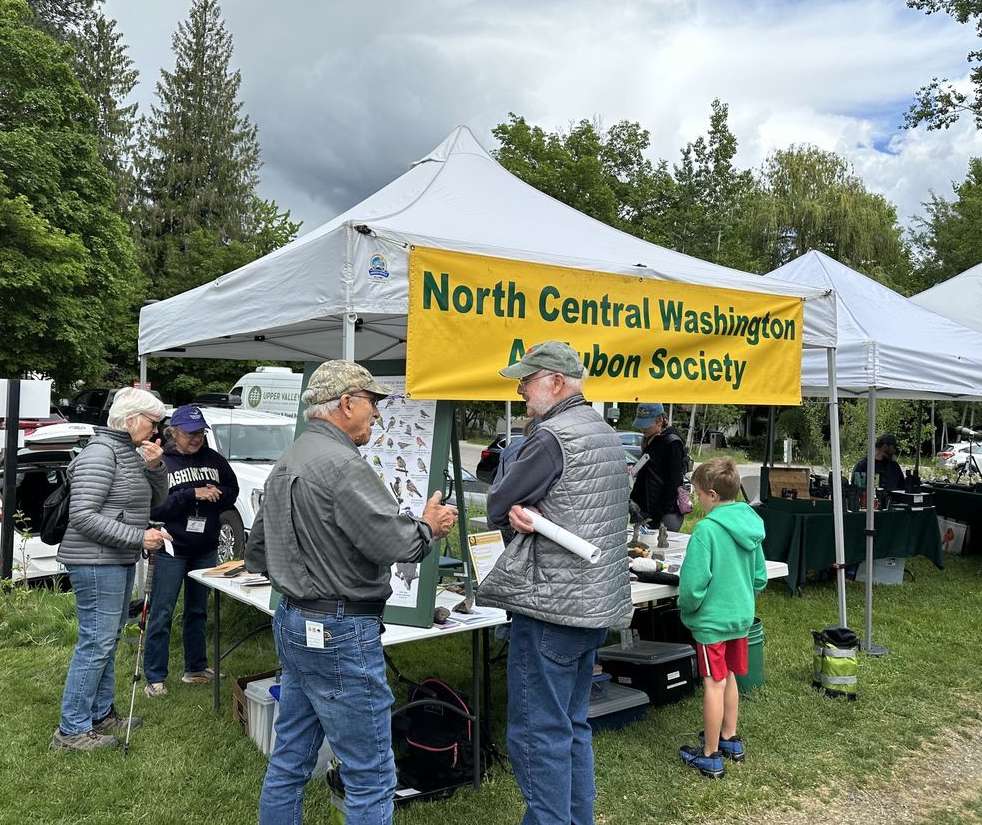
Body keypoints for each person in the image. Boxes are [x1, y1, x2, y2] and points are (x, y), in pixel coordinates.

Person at [248, 360, 458, 824]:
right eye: (373, 403)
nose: (378, 415)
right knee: (372, 774)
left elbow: (258, 550)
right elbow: (397, 543)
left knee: (290, 759)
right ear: (346, 403)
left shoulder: (290, 458)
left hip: (293, 620)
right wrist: (430, 525)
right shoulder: (342, 464)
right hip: (339, 629)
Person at [480, 341, 632, 824]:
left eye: (527, 381)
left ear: (556, 382)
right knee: (571, 726)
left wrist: (522, 513)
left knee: (536, 733)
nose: (522, 391)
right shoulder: (606, 433)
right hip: (594, 603)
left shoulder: (552, 437)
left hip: (553, 605)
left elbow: (495, 504)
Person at [51, 387, 171, 751]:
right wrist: (139, 536)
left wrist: (155, 468)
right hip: (94, 560)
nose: (155, 432)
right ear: (131, 419)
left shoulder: (129, 454)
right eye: (152, 423)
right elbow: (83, 517)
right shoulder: (101, 454)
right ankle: (71, 730)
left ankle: (100, 714)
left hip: (114, 558)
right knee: (96, 642)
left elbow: (157, 501)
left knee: (108, 639)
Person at [676, 457, 767, 778]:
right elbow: (759, 578)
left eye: (698, 494)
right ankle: (729, 737)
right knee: (728, 676)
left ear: (712, 495)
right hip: (740, 618)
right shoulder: (750, 524)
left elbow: (693, 585)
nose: (697, 500)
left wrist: (687, 608)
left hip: (712, 621)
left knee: (713, 682)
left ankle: (710, 753)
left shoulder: (707, 531)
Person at [142, 404, 240, 698]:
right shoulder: (163, 462)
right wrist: (191, 494)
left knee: (198, 611)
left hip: (205, 546)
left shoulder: (215, 460)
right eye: (189, 433)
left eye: (200, 433)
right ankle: (155, 677)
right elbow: (155, 507)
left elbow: (233, 493)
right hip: (172, 546)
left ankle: (195, 668)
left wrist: (218, 494)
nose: (196, 439)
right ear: (174, 432)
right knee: (162, 611)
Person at [629, 403, 687, 539]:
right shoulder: (651, 439)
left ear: (660, 420)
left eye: (646, 424)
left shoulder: (672, 443)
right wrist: (634, 500)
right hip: (645, 509)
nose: (643, 428)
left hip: (663, 513)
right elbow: (647, 475)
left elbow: (672, 484)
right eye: (641, 424)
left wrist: (655, 516)